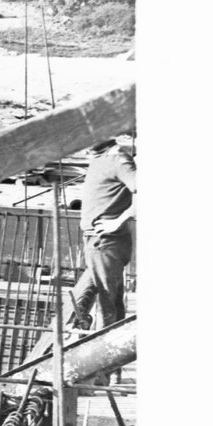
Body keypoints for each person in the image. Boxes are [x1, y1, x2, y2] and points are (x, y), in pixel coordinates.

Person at [69, 137, 136, 331]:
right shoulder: (100, 159)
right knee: (102, 296)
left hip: (105, 242)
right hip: (97, 241)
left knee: (108, 301)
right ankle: (92, 337)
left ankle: (107, 351)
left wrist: (118, 221)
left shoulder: (118, 161)